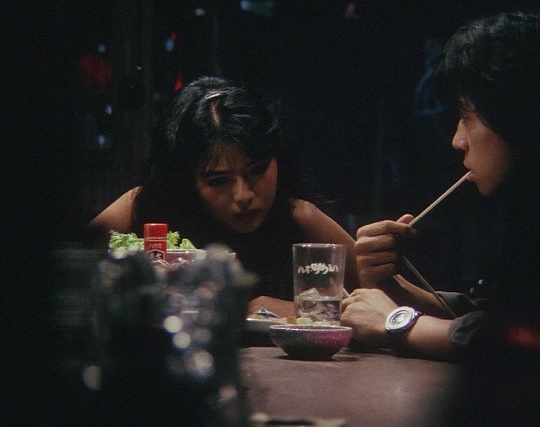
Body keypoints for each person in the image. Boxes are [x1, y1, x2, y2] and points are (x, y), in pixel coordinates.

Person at [340, 11, 540, 427]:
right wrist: (394, 285)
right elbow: (497, 316)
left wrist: (398, 322)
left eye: (467, 115)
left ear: (520, 116)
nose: (457, 140)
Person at [90, 76, 358, 318]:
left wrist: (297, 310)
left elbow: (377, 304)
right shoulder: (145, 205)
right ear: (185, 178)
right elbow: (70, 283)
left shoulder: (299, 217)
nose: (243, 195)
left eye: (258, 170)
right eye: (218, 181)